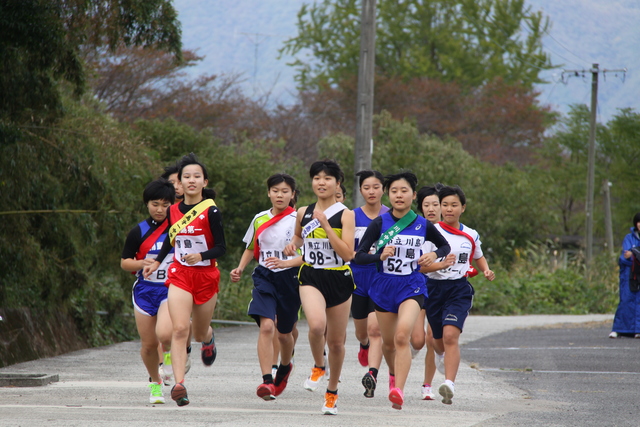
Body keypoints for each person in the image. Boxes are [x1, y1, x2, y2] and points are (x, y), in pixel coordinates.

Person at [353, 172, 451, 410]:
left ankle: (399, 390)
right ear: (389, 194)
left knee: (401, 336)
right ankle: (394, 376)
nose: (399, 195)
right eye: (394, 191)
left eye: (404, 191)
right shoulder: (379, 223)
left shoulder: (422, 224)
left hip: (411, 285)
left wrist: (434, 254)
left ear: (413, 195)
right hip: (384, 286)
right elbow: (360, 256)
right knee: (388, 344)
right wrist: (380, 255)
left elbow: (445, 245)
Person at [143, 153, 226, 407]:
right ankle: (179, 385)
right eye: (186, 176)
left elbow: (221, 248)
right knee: (179, 329)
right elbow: (171, 238)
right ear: (179, 182)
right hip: (180, 274)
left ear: (204, 182)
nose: (191, 180)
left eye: (196, 177)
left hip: (206, 275)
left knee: (198, 332)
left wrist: (201, 254)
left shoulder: (211, 211)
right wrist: (157, 261)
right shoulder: (174, 210)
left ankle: (208, 337)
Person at [283, 160, 355, 415]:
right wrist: (292, 245)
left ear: (337, 183)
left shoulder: (346, 214)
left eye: (327, 178)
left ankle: (332, 392)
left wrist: (326, 225)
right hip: (311, 275)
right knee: (316, 326)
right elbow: (299, 237)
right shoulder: (303, 211)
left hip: (339, 278)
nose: (321, 182)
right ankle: (318, 365)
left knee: (336, 343)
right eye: (317, 178)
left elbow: (348, 254)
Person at [230, 173, 301, 401]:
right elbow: (251, 247)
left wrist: (287, 261)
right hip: (264, 277)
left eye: (285, 191)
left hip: (290, 278)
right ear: (269, 193)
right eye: (275, 191)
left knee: (284, 333)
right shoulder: (259, 218)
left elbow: (309, 256)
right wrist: (240, 268)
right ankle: (267, 381)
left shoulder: (299, 220)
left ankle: (285, 365)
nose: (280, 195)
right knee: (267, 326)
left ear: (292, 195)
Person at [424, 185, 495, 405]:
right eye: (444, 204)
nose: (449, 209)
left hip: (458, 290)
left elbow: (478, 255)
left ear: (463, 208)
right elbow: (421, 267)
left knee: (450, 337)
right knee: (437, 341)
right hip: (434, 290)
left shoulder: (471, 234)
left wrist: (485, 269)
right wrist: (440, 264)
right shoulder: (430, 231)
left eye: (454, 205)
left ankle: (449, 384)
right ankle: (441, 356)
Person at [121, 178, 176, 404]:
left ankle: (171, 358)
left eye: (165, 205)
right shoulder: (138, 231)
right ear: (147, 204)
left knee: (164, 334)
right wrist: (142, 263)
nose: (160, 210)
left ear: (172, 205)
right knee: (149, 345)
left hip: (170, 290)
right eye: (155, 204)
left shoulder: (178, 229)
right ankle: (155, 383)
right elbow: (125, 262)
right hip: (144, 291)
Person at [349, 170, 389, 399]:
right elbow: (345, 248)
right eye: (366, 187)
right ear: (361, 190)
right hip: (356, 277)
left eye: (376, 187)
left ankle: (372, 375)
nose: (371, 191)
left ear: (383, 189)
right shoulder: (351, 216)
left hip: (381, 277)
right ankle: (363, 345)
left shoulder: (393, 216)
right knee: (362, 332)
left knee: (376, 330)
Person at [413, 185, 455, 401]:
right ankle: (410, 347)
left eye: (435, 204)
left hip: (443, 289)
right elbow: (417, 265)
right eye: (426, 205)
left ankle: (427, 385)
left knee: (432, 339)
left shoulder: (451, 231)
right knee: (418, 339)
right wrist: (438, 265)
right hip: (419, 285)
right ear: (420, 207)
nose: (431, 209)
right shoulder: (416, 229)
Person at [609, 212, 640, 339]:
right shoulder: (629, 238)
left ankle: (637, 330)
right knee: (626, 300)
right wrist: (635, 255)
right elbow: (624, 257)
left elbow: (631, 254)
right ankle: (619, 329)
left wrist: (634, 253)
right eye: (639, 222)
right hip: (629, 274)